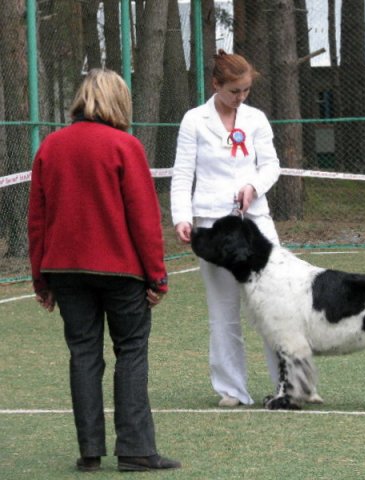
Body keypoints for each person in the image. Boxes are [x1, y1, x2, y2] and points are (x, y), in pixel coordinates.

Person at [28, 69, 181, 472]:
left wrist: (40, 279)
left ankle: (90, 451)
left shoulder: (50, 146)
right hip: (121, 270)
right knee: (130, 352)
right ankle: (135, 449)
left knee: (83, 353)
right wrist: (157, 276)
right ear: (119, 101)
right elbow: (144, 219)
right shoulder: (124, 146)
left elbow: (37, 219)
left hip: (64, 269)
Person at [171, 50, 322, 408]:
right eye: (234, 91)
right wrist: (182, 217)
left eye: (246, 91)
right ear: (216, 85)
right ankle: (231, 389)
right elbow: (182, 175)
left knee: (279, 308)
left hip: (256, 222)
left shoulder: (255, 120)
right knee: (223, 311)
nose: (241, 98)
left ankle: (294, 386)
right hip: (211, 227)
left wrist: (253, 186)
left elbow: (271, 166)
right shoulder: (194, 121)